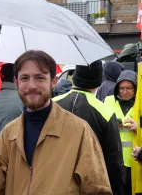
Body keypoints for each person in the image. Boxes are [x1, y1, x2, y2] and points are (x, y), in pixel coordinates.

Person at [0, 50, 112, 195]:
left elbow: (97, 189)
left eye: (40, 78)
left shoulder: (79, 131)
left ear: (53, 81)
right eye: (25, 78)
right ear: (16, 82)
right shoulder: (9, 132)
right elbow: (0, 188)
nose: (32, 85)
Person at [53, 60, 124, 195]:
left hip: (53, 181)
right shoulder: (105, 111)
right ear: (99, 81)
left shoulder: (52, 104)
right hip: (89, 183)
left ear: (74, 77)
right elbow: (114, 160)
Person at [104, 70, 137, 195]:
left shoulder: (140, 103)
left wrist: (138, 127)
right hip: (113, 159)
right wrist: (111, 124)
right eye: (121, 88)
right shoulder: (108, 101)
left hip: (134, 159)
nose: (124, 92)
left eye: (129, 88)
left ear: (136, 88)